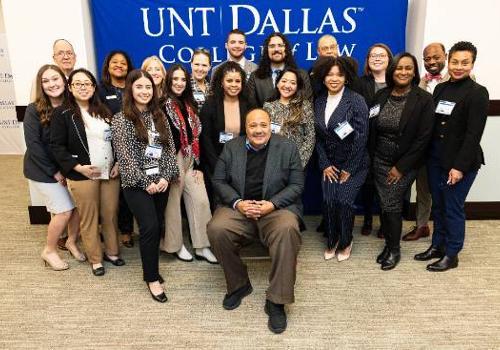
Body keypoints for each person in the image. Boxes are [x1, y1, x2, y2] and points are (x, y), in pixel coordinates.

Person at [207, 108, 303, 334]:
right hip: (241, 208)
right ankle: (239, 285)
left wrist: (272, 204)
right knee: (216, 228)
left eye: (263, 125)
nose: (258, 130)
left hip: (274, 209)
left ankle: (277, 300)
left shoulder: (287, 147)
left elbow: (297, 185)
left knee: (288, 229)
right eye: (252, 126)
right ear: (245, 128)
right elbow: (219, 181)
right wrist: (238, 203)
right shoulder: (231, 148)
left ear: (271, 125)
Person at [414, 41, 489, 272]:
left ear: (472, 63)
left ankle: (452, 253)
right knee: (438, 206)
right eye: (455, 62)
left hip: (460, 163)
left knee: (452, 207)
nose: (458, 67)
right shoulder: (441, 89)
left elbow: (473, 135)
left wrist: (458, 167)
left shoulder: (478, 93)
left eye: (464, 62)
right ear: (448, 61)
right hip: (436, 159)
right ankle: (437, 246)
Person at [111, 69, 179, 302]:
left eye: (148, 87)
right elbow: (125, 157)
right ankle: (151, 278)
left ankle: (152, 269)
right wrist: (146, 182)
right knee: (149, 227)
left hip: (161, 182)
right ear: (130, 89)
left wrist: (165, 178)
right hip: (136, 184)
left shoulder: (159, 115)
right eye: (139, 87)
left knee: (157, 225)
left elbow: (170, 149)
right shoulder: (121, 119)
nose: (144, 91)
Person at [50, 68, 124, 276]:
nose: (83, 87)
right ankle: (96, 259)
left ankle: (112, 252)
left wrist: (118, 161)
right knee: (89, 217)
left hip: (109, 173)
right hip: (84, 174)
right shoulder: (63, 113)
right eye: (78, 84)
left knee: (110, 214)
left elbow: (116, 140)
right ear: (70, 88)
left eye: (87, 84)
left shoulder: (104, 111)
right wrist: (77, 167)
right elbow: (57, 146)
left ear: (94, 87)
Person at [369, 53, 434, 270]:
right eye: (399, 68)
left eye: (408, 68)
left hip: (404, 164)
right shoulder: (381, 96)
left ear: (414, 72)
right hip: (379, 160)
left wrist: (401, 167)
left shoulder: (423, 99)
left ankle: (394, 250)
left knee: (393, 205)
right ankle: (388, 245)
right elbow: (372, 129)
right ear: (392, 71)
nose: (403, 72)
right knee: (385, 205)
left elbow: (423, 138)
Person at [24, 64, 84, 270]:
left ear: (64, 81)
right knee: (64, 211)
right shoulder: (33, 110)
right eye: (46, 81)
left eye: (55, 79)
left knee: (78, 207)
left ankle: (71, 241)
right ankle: (49, 250)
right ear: (41, 85)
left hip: (67, 166)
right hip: (42, 170)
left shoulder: (72, 105)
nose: (52, 84)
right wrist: (55, 172)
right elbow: (34, 146)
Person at [313, 57, 369, 262]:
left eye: (339, 74)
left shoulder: (356, 100)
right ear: (323, 77)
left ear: (346, 77)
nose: (334, 78)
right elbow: (317, 136)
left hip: (354, 164)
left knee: (344, 201)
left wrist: (350, 168)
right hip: (329, 164)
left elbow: (361, 137)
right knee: (328, 200)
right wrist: (325, 164)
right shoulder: (318, 100)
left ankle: (346, 241)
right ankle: (332, 239)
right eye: (329, 74)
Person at [161, 64, 217, 263]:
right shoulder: (161, 105)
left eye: (183, 79)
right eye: (175, 79)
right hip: (172, 159)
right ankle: (175, 245)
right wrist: (168, 168)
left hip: (190, 158)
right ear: (168, 81)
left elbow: (197, 137)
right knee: (173, 204)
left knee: (200, 200)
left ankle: (202, 245)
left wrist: (199, 165)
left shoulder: (189, 105)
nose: (179, 83)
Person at [402, 43, 448, 242]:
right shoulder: (419, 83)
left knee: (445, 192)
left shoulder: (461, 80)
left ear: (445, 56)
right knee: (423, 189)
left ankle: (444, 231)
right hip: (422, 147)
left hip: (446, 147)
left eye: (436, 57)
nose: (431, 62)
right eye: (427, 59)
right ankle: (422, 226)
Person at [98, 50, 136, 248]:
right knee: (115, 194)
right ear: (108, 65)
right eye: (115, 62)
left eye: (123, 62)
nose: (119, 65)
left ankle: (128, 229)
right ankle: (119, 231)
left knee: (129, 190)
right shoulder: (101, 90)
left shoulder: (133, 87)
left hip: (135, 146)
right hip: (109, 149)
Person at [358, 43, 394, 238]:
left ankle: (383, 220)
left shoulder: (396, 82)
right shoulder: (360, 82)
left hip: (389, 142)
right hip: (365, 139)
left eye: (381, 55)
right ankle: (367, 219)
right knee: (368, 183)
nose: (377, 58)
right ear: (368, 60)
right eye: (373, 55)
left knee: (385, 184)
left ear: (389, 59)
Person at [263, 67, 315, 167]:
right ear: (277, 84)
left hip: (298, 163)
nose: (287, 85)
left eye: (292, 83)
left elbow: (310, 137)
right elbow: (264, 136)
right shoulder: (268, 107)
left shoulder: (304, 106)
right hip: (273, 163)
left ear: (297, 87)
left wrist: (298, 163)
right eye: (284, 81)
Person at [247, 32, 312, 107]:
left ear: (286, 49)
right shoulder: (255, 77)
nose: (276, 49)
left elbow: (308, 106)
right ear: (266, 51)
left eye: (280, 45)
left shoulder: (302, 75)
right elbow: (252, 108)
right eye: (272, 46)